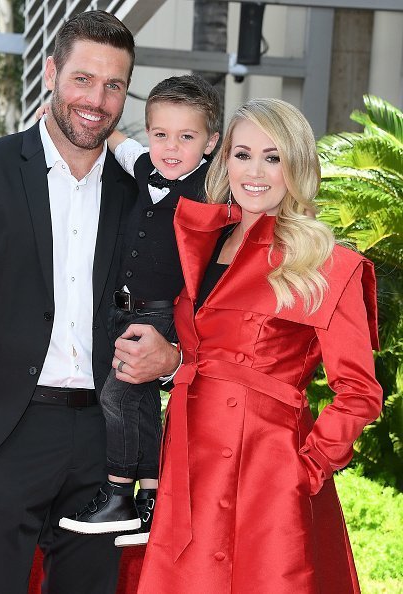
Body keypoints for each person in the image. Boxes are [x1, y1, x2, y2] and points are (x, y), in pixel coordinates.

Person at [0, 11, 179, 594]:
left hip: (106, 444)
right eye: (83, 79)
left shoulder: (139, 194)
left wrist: (172, 356)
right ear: (51, 73)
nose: (96, 100)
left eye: (114, 86)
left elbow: (175, 300)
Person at [136, 98, 383, 593]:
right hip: (188, 453)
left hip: (268, 472)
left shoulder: (326, 264)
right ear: (224, 158)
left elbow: (359, 392)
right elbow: (209, 353)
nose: (255, 171)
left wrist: (305, 469)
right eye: (242, 153)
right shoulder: (204, 239)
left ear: (297, 166)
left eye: (273, 157)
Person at [56, 74, 220, 546]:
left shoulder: (212, 190)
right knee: (143, 401)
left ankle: (116, 493)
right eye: (160, 134)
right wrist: (69, 112)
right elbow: (119, 140)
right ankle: (151, 498)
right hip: (121, 312)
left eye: (186, 137)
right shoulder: (144, 165)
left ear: (210, 142)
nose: (170, 148)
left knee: (117, 397)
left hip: (160, 316)